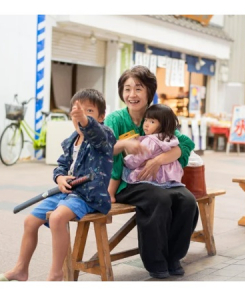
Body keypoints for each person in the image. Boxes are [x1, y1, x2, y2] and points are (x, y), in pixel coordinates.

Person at [0, 88, 116, 281]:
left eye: (89, 111)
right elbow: (60, 166)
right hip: (66, 194)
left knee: (56, 218)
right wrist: (60, 179)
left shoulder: (104, 136)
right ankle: (21, 269)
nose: (81, 116)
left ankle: (56, 274)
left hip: (89, 197)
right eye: (76, 112)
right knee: (29, 221)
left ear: (102, 116)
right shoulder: (71, 141)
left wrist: (86, 121)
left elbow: (95, 132)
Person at [104, 65, 199, 279]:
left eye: (138, 88)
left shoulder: (158, 114)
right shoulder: (115, 120)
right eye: (127, 89)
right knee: (159, 199)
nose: (132, 94)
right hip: (124, 184)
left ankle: (173, 257)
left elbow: (183, 144)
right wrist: (124, 144)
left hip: (160, 180)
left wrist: (159, 159)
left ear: (149, 92)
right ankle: (155, 262)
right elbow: (104, 150)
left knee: (187, 201)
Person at [122, 103, 184, 189]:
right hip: (171, 178)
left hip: (154, 179)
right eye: (146, 120)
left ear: (163, 125)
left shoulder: (150, 141)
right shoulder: (171, 138)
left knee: (125, 171)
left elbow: (137, 159)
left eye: (152, 122)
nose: (146, 124)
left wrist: (126, 161)